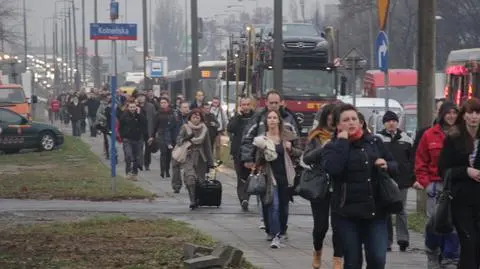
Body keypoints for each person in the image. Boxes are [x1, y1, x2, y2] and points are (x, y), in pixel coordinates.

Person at [322, 103, 397, 269]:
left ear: (361, 122)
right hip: (347, 214)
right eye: (346, 120)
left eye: (354, 119)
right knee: (352, 262)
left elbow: (395, 165)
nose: (351, 122)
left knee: (378, 259)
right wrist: (342, 141)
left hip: (375, 212)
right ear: (338, 125)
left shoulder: (374, 142)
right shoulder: (332, 147)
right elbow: (333, 168)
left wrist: (387, 165)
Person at [241, 89, 301, 236]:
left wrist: (293, 153)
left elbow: (298, 144)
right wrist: (248, 159)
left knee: (284, 203)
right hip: (265, 168)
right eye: (271, 102)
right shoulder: (258, 118)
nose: (274, 105)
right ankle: (271, 229)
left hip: (285, 169)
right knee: (269, 201)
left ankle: (282, 228)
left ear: (281, 103)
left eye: (276, 102)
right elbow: (247, 138)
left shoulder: (289, 119)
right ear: (266, 103)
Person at [414, 101, 460, 269]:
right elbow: (420, 161)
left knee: (453, 225)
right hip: (436, 186)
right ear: (442, 114)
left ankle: (450, 259)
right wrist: (426, 183)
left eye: (455, 113)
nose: (452, 116)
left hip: (456, 185)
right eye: (449, 113)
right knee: (435, 223)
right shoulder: (429, 135)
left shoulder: (462, 135)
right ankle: (432, 252)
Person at [438, 98, 480, 269]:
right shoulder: (453, 138)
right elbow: (443, 170)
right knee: (469, 243)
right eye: (470, 113)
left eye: (478, 113)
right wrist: (465, 171)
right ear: (464, 116)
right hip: (460, 200)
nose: (474, 117)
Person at [253, 110, 302, 248]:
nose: (272, 120)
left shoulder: (286, 136)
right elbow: (257, 160)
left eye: (275, 117)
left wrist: (291, 149)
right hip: (270, 176)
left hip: (286, 176)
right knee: (273, 205)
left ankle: (281, 230)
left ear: (279, 120)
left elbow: (300, 152)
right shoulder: (262, 138)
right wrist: (263, 152)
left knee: (283, 207)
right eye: (270, 118)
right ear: (266, 121)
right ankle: (275, 234)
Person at [303, 104, 343, 269]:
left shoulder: (343, 136)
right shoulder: (315, 136)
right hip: (320, 185)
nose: (332, 120)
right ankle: (317, 251)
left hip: (339, 185)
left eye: (336, 117)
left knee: (339, 225)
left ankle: (337, 259)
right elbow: (307, 158)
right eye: (330, 116)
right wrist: (323, 148)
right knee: (321, 226)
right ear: (325, 117)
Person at [376, 111, 415, 252]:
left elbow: (412, 160)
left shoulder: (406, 139)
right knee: (386, 210)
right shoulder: (378, 138)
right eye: (388, 121)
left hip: (402, 180)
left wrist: (412, 177)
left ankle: (403, 239)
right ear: (384, 123)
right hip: (385, 180)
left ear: (397, 122)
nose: (391, 123)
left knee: (401, 210)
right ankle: (386, 241)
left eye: (394, 120)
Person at [176, 109, 214, 209]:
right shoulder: (185, 127)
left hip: (201, 158)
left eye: (198, 117)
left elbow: (207, 146)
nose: (196, 119)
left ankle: (197, 199)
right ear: (190, 118)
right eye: (194, 117)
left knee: (200, 181)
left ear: (201, 118)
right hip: (188, 155)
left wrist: (211, 162)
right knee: (190, 178)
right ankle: (192, 200)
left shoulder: (205, 129)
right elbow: (178, 141)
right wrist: (185, 139)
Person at [227, 97, 254, 211]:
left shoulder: (255, 118)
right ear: (240, 106)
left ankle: (246, 197)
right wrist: (238, 116)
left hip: (251, 152)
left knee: (248, 177)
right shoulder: (236, 118)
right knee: (240, 177)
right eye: (243, 105)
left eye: (248, 104)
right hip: (238, 152)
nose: (246, 107)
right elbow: (230, 128)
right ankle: (243, 199)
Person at [119, 101, 147, 180]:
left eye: (134, 107)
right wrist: (123, 135)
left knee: (136, 157)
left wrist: (138, 115)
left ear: (136, 108)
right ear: (128, 108)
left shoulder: (140, 115)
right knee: (128, 155)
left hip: (137, 139)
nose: (132, 109)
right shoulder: (124, 115)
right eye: (131, 107)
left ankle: (134, 173)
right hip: (127, 139)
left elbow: (144, 123)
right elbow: (121, 126)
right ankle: (128, 172)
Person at [150, 97, 177, 178]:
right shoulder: (158, 113)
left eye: (165, 102)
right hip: (161, 134)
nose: (163, 104)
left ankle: (167, 170)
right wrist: (152, 136)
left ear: (168, 103)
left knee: (169, 154)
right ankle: (162, 171)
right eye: (161, 103)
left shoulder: (172, 112)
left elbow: (175, 124)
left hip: (170, 135)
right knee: (163, 153)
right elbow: (155, 125)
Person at [171, 101, 190, 193]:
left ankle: (188, 183)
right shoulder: (175, 117)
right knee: (175, 165)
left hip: (188, 144)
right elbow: (170, 129)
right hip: (178, 144)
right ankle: (176, 185)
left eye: (187, 107)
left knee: (188, 166)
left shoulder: (191, 118)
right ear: (180, 108)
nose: (186, 109)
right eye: (184, 107)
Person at [137, 94, 157, 171]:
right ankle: (140, 163)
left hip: (148, 130)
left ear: (145, 98)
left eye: (142, 96)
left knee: (148, 148)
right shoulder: (136, 106)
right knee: (139, 147)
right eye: (139, 96)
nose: (141, 98)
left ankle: (147, 163)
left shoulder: (150, 106)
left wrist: (154, 131)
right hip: (139, 130)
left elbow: (154, 118)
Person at [210, 97, 228, 164]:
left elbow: (225, 118)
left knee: (218, 145)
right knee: (211, 145)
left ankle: (218, 159)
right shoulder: (209, 109)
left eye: (216, 102)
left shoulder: (221, 110)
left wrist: (226, 127)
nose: (215, 104)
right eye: (214, 102)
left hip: (218, 130)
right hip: (211, 130)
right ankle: (211, 159)